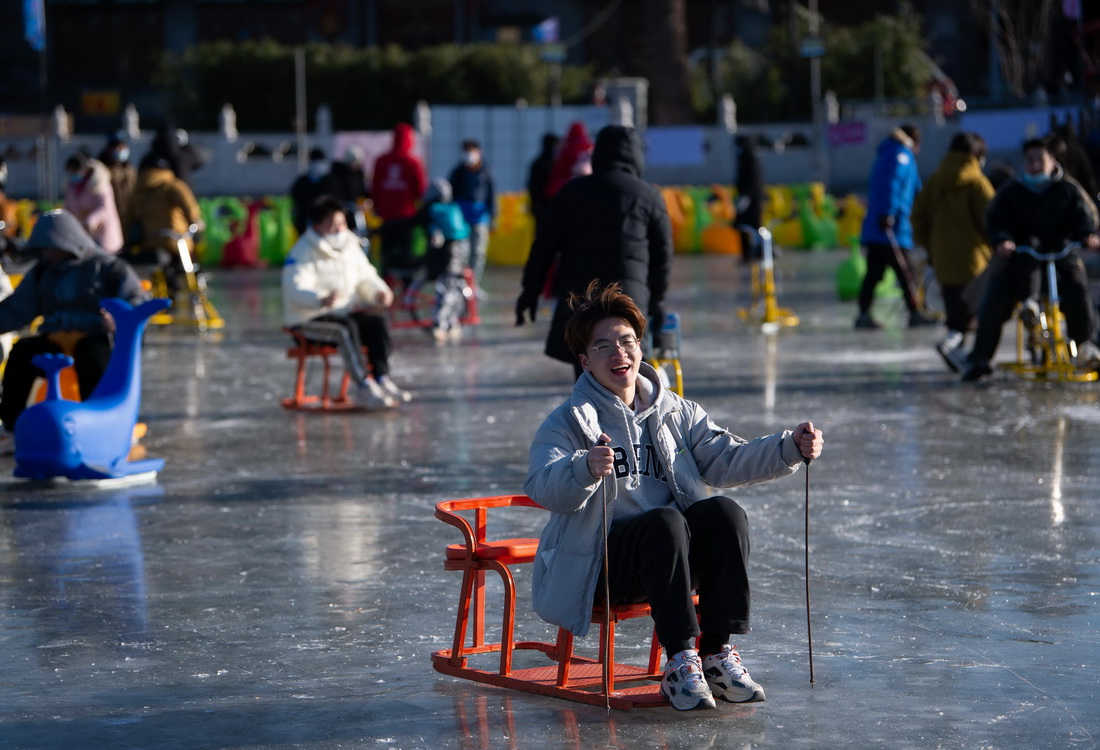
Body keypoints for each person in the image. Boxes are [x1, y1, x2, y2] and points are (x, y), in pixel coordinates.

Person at [524, 281, 823, 712]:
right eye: (603, 347)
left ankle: (716, 654)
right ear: (585, 361)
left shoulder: (674, 411)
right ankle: (680, 660)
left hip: (671, 558)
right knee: (663, 523)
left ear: (641, 347)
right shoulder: (569, 421)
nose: (619, 354)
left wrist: (789, 447)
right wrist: (582, 467)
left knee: (724, 513)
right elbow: (541, 484)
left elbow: (727, 457)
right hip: (602, 568)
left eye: (627, 342)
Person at [517, 125, 673, 379]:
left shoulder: (571, 192)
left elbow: (543, 247)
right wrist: (657, 299)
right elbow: (662, 256)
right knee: (628, 372)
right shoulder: (648, 196)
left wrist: (529, 291)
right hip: (629, 300)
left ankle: (592, 418)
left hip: (581, 302)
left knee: (588, 372)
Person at [0, 210, 147, 454]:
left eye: (50, 247)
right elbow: (18, 308)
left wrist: (118, 318)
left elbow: (135, 301)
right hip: (55, 336)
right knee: (22, 354)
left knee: (93, 359)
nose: (46, 254)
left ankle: (104, 423)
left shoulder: (108, 267)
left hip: (95, 335)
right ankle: (12, 427)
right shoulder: (42, 271)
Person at [961, 137, 1100, 383]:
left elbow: (1083, 215)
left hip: (1061, 252)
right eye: (1030, 160)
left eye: (1040, 160)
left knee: (1079, 290)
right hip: (1022, 254)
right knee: (995, 298)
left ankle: (1086, 346)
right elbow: (996, 219)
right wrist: (1003, 239)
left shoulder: (1067, 188)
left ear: (1053, 161)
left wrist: (1088, 235)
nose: (1035, 165)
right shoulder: (1012, 191)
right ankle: (980, 358)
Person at [282, 195, 411, 409]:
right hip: (308, 320)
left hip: (342, 312)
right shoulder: (302, 251)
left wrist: (379, 292)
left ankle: (381, 378)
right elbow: (295, 288)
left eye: (341, 223)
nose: (338, 229)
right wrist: (320, 299)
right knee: (344, 329)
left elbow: (365, 277)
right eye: (332, 225)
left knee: (375, 322)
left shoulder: (350, 245)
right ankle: (363, 385)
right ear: (317, 226)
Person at [910, 132, 996, 372]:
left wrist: (929, 246)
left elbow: (918, 216)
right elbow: (992, 217)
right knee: (974, 307)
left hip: (942, 255)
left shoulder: (935, 180)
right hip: (974, 258)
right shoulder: (977, 182)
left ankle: (957, 350)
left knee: (954, 304)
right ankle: (959, 348)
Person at [854, 124, 936, 329]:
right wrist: (889, 213)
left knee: (874, 273)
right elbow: (892, 185)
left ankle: (864, 313)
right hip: (892, 228)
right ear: (914, 143)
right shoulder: (901, 156)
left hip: (877, 229)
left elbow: (915, 188)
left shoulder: (888, 154)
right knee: (905, 271)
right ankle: (915, 312)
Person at [124, 154, 203, 288]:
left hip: (149, 242)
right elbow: (189, 207)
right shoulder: (173, 185)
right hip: (176, 241)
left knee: (160, 276)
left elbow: (127, 219)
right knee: (190, 274)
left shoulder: (137, 191)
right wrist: (196, 222)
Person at [371, 123, 427, 284]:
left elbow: (375, 187)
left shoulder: (381, 161)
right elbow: (420, 190)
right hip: (406, 217)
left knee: (386, 255)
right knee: (406, 256)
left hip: (386, 216)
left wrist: (378, 207)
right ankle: (407, 290)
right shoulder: (413, 163)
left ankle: (386, 288)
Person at [419, 178, 471, 343]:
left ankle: (439, 325)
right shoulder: (453, 208)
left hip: (443, 257)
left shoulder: (431, 209)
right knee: (454, 291)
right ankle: (452, 324)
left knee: (444, 292)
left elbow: (412, 222)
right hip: (459, 253)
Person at [448, 140, 495, 294]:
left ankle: (473, 284)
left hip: (480, 217)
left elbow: (491, 195)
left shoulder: (485, 171)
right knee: (461, 252)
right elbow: (450, 194)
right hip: (461, 218)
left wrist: (493, 217)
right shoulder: (458, 172)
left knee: (478, 252)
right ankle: (460, 283)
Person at [63, 153, 124, 254]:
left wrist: (89, 222)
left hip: (103, 236)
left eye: (75, 170)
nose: (73, 174)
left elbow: (104, 209)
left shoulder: (99, 184)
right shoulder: (71, 186)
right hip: (83, 235)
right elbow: (69, 208)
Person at [289, 148, 339, 237]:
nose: (317, 164)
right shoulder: (302, 181)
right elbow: (294, 197)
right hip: (305, 220)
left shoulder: (330, 181)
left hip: (325, 220)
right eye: (314, 161)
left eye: (319, 161)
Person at [733, 135, 765, 263]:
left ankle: (758, 253)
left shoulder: (752, 160)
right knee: (741, 227)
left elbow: (754, 182)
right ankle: (746, 255)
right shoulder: (742, 159)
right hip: (744, 198)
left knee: (754, 227)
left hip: (752, 200)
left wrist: (746, 197)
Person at [97, 133, 137, 230]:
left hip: (129, 216)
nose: (120, 150)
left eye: (122, 146)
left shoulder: (130, 169)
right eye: (117, 147)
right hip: (110, 217)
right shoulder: (101, 169)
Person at [544, 121, 594, 200]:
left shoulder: (565, 150)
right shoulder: (589, 148)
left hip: (566, 187)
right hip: (586, 187)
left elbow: (559, 170)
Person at [526, 132, 560, 230]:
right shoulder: (546, 164)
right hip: (543, 206)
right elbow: (533, 186)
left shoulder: (539, 163)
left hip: (543, 206)